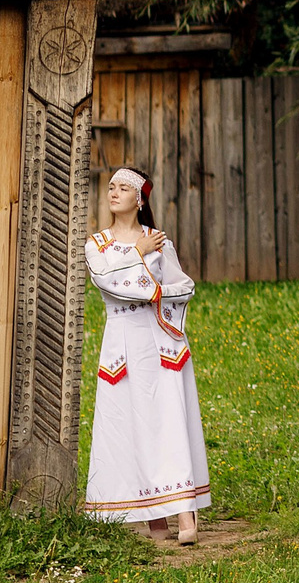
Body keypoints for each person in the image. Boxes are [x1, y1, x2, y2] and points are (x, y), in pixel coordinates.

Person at [82, 167, 209, 542]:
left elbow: (182, 286)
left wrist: (156, 293)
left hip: (160, 341)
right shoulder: (97, 244)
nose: (114, 193)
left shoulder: (158, 240)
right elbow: (107, 282)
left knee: (168, 421)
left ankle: (185, 515)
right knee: (133, 424)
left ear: (140, 199)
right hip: (122, 344)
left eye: (123, 188)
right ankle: (154, 519)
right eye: (111, 187)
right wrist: (139, 258)